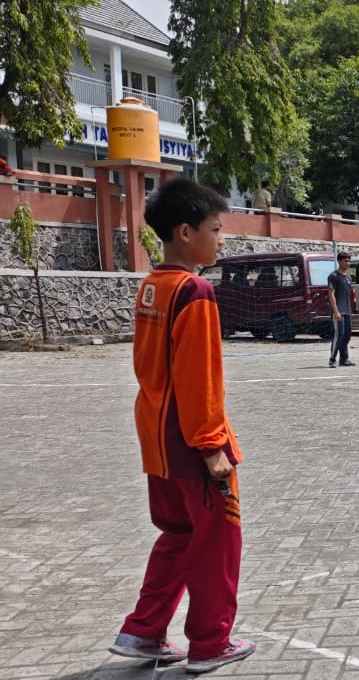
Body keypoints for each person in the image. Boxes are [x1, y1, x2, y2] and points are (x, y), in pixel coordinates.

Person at [108, 178, 256, 673]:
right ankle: (211, 643)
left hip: (158, 441)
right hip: (193, 446)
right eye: (215, 229)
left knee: (177, 537)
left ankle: (143, 631)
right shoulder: (195, 291)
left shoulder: (152, 286)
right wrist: (213, 447)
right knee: (217, 544)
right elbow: (198, 378)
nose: (221, 240)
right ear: (186, 233)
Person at [327, 252, 356, 368]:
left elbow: (350, 294)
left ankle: (344, 359)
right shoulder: (333, 276)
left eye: (349, 261)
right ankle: (332, 359)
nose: (348, 263)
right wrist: (336, 311)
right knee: (339, 335)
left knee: (347, 335)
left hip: (347, 311)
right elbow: (331, 293)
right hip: (338, 311)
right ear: (339, 261)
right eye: (345, 261)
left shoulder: (348, 277)